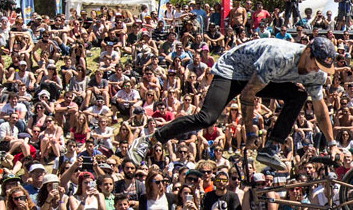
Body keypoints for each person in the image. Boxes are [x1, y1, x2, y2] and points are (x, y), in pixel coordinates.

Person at [129, 37, 340, 170]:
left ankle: (271, 147)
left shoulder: (316, 75)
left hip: (261, 78)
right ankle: (151, 139)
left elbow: (321, 112)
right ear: (307, 52)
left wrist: (332, 144)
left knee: (299, 96)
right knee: (207, 118)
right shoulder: (280, 57)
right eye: (316, 64)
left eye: (322, 67)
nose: (317, 70)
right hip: (232, 71)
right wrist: (250, 133)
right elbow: (247, 96)